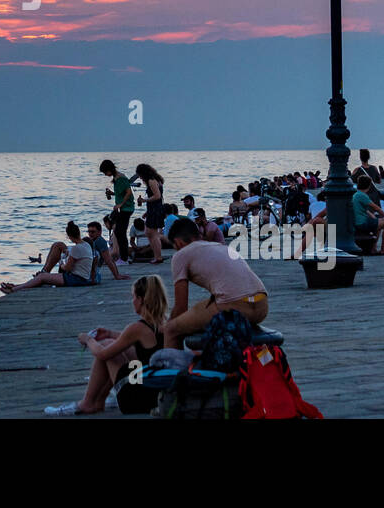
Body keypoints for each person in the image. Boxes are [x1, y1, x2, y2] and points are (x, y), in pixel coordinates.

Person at [45, 276, 169, 415]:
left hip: (136, 400)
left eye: (133, 297)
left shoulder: (137, 328)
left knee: (106, 347)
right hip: (155, 395)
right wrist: (110, 333)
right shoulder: (165, 323)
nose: (132, 301)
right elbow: (138, 340)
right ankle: (97, 402)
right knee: (111, 343)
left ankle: (88, 403)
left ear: (140, 300)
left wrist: (87, 340)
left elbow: (102, 354)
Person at [163, 219, 268, 349]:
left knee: (171, 330)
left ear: (178, 243)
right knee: (202, 308)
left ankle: (172, 368)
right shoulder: (221, 247)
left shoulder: (181, 255)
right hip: (262, 307)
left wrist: (168, 324)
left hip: (234, 308)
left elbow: (181, 307)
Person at [1, 222, 94, 293]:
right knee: (58, 246)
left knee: (42, 277)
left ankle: (14, 289)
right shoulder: (86, 245)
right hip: (80, 277)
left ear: (69, 236)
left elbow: (68, 268)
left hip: (76, 279)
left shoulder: (76, 248)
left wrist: (61, 264)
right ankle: (17, 286)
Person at [100, 159, 135, 267]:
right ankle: (124, 257)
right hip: (123, 209)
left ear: (109, 169)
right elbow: (122, 192)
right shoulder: (116, 178)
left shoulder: (120, 178)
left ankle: (124, 258)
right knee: (120, 233)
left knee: (120, 233)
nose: (105, 175)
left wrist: (121, 204)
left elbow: (129, 192)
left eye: (105, 172)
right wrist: (112, 193)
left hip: (126, 209)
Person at [136, 163, 167, 264]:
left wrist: (144, 200)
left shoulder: (151, 181)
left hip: (155, 210)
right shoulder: (154, 180)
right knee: (149, 233)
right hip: (153, 209)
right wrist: (147, 212)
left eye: (140, 175)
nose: (140, 178)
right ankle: (156, 256)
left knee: (153, 234)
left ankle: (158, 257)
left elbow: (157, 196)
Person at [352, 174, 384, 252]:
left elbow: (366, 210)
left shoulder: (356, 195)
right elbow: (376, 208)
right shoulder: (362, 195)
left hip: (357, 222)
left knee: (378, 224)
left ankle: (373, 248)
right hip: (362, 223)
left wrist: (374, 218)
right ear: (369, 186)